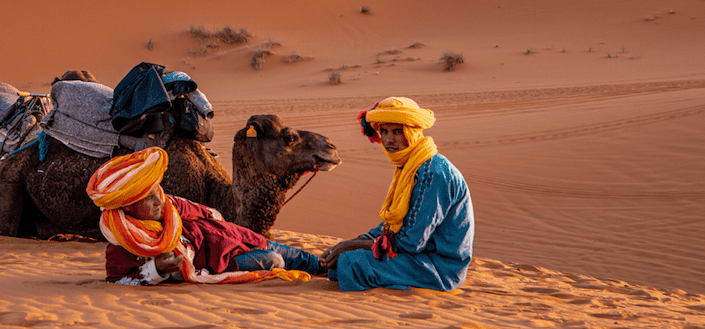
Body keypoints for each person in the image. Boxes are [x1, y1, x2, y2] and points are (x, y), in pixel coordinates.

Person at [86, 146, 324, 285]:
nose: (159, 200)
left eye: (156, 191)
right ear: (127, 206)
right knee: (275, 261)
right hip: (224, 261)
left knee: (310, 260)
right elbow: (119, 281)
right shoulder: (124, 243)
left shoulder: (172, 205)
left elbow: (213, 215)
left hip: (238, 237)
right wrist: (157, 269)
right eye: (148, 198)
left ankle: (337, 266)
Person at [320, 97, 474, 291]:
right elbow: (393, 226)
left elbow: (411, 242)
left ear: (412, 132)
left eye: (397, 132)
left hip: (440, 268)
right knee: (339, 261)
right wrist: (348, 244)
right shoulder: (410, 166)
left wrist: (353, 246)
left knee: (352, 262)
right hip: (419, 258)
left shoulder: (433, 173)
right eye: (383, 131)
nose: (388, 139)